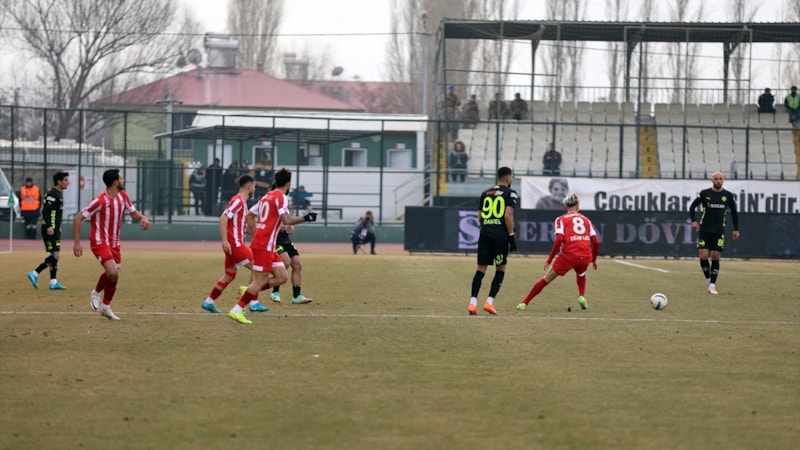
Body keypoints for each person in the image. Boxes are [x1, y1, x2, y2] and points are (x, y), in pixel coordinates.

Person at [229, 168, 317, 324]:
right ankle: (237, 309)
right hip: (264, 245)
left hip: (268, 244)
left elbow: (250, 215)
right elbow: (287, 219)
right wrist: (306, 217)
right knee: (260, 279)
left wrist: (256, 232)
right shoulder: (281, 197)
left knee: (282, 277)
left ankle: (250, 291)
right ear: (288, 183)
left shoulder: (266, 196)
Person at [73, 168, 151, 320]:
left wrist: (143, 218)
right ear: (115, 182)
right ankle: (95, 293)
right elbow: (77, 219)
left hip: (115, 243)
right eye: (121, 179)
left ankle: (106, 307)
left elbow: (133, 212)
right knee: (113, 272)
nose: (123, 181)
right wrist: (77, 243)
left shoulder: (123, 196)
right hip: (99, 241)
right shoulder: (100, 200)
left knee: (113, 276)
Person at [201, 175, 272, 314]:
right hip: (236, 245)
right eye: (254, 186)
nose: (255, 189)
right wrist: (225, 240)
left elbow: (239, 226)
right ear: (249, 186)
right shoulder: (238, 200)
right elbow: (223, 218)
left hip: (234, 245)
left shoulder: (242, 202)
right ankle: (253, 302)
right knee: (258, 269)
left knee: (229, 275)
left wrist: (258, 233)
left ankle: (208, 301)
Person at [516, 192, 599, 311]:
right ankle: (581, 296)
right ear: (577, 206)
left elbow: (559, 239)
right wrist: (594, 260)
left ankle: (524, 303)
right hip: (585, 255)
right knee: (581, 274)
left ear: (566, 206)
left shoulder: (560, 219)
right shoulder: (586, 220)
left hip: (569, 256)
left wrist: (549, 259)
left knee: (546, 279)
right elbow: (595, 242)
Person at [468, 167, 517, 316]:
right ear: (508, 178)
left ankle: (472, 303)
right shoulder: (510, 193)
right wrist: (511, 236)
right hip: (500, 236)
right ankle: (489, 302)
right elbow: (507, 215)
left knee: (480, 269)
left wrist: (488, 225)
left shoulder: (486, 193)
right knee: (500, 269)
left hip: (485, 234)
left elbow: (479, 215)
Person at [688, 171, 740, 295]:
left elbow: (734, 212)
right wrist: (694, 221)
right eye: (716, 178)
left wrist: (736, 229)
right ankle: (708, 280)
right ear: (712, 180)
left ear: (724, 180)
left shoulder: (727, 195)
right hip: (705, 230)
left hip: (719, 231)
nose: (718, 181)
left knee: (716, 256)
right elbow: (692, 207)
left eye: (720, 178)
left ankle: (712, 285)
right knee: (703, 256)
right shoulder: (705, 193)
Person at [26, 171, 70, 290]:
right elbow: (46, 211)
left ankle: (53, 282)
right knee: (55, 255)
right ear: (59, 181)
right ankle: (34, 273)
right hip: (48, 228)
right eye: (66, 180)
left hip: (53, 228)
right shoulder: (52, 194)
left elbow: (54, 213)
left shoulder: (57, 194)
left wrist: (57, 226)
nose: (68, 182)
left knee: (54, 255)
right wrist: (50, 226)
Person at [270, 223, 313, 305]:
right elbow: (278, 227)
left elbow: (290, 228)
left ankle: (296, 296)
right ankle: (275, 292)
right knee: (285, 262)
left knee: (297, 265)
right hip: (275, 242)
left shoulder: (286, 211)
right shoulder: (272, 212)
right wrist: (283, 227)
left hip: (286, 242)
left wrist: (289, 227)